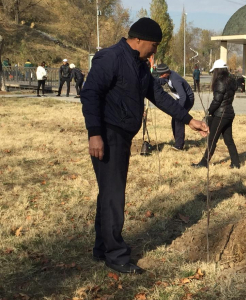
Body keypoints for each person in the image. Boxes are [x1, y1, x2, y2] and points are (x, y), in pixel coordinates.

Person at [80, 17, 208, 274]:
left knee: (109, 192)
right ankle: (116, 256)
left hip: (122, 136)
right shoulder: (111, 58)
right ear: (138, 40)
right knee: (114, 195)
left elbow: (158, 96)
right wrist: (95, 134)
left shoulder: (139, 66)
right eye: (154, 45)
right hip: (108, 134)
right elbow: (90, 93)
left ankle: (102, 247)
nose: (155, 51)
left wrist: (189, 119)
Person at [192, 59, 240, 169]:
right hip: (229, 114)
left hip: (220, 115)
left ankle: (204, 163)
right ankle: (236, 163)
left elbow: (217, 100)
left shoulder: (220, 81)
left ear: (217, 70)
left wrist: (209, 111)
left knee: (212, 140)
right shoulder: (231, 80)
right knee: (229, 140)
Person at [156, 63, 195, 150]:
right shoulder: (167, 76)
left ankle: (179, 145)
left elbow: (183, 96)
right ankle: (177, 141)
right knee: (174, 119)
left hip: (187, 100)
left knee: (179, 119)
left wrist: (179, 110)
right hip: (180, 99)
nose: (160, 76)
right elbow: (161, 81)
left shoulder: (175, 80)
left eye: (162, 74)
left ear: (166, 72)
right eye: (159, 74)